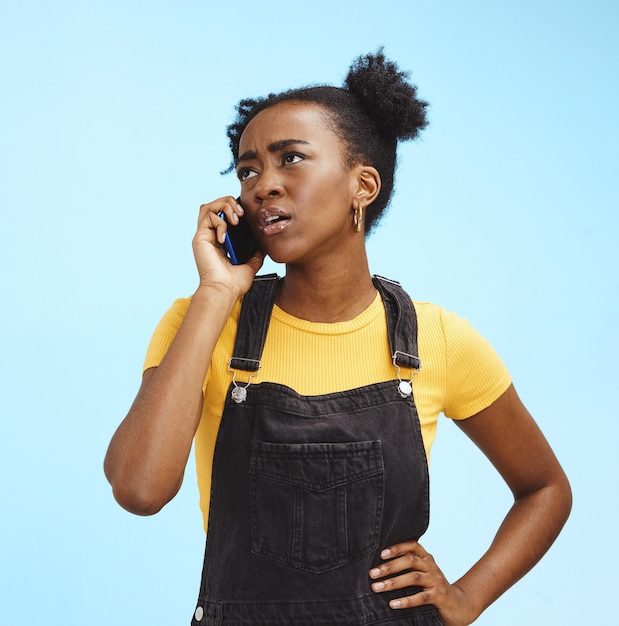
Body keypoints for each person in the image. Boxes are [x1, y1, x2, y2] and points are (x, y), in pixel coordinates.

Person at [104, 50, 571, 626]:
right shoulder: (199, 322)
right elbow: (139, 489)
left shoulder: (437, 339)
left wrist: (467, 597)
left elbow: (545, 488)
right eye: (248, 170)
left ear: (363, 185)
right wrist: (217, 291)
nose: (262, 186)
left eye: (290, 159)